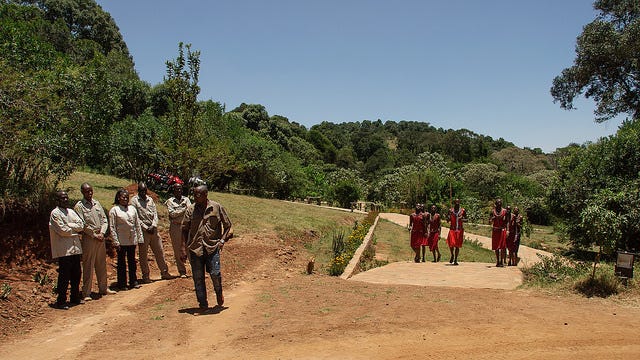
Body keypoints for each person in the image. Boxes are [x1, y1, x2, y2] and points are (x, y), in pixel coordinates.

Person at [181, 185, 233, 311]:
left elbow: (228, 225)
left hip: (212, 246)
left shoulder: (216, 207)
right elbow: (184, 229)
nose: (196, 197)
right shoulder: (190, 210)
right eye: (194, 194)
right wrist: (183, 248)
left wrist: (222, 240)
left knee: (215, 274)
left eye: (199, 194)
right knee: (198, 278)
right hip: (195, 248)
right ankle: (202, 304)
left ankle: (219, 292)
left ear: (206, 194)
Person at [74, 183, 116, 301]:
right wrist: (94, 234)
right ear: (82, 192)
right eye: (87, 191)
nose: (90, 193)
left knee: (101, 264)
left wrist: (102, 233)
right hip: (89, 238)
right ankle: (86, 292)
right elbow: (82, 223)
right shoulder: (79, 206)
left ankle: (103, 288)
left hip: (100, 237)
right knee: (88, 265)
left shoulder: (96, 203)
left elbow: (104, 220)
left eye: (91, 191)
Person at [49, 190, 84, 309]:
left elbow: (81, 225)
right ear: (57, 200)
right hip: (64, 250)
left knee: (77, 273)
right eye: (62, 198)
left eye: (66, 198)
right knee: (64, 275)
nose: (65, 200)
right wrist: (73, 228)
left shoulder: (71, 212)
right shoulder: (55, 213)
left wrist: (69, 225)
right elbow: (62, 231)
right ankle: (61, 300)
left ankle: (74, 297)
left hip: (75, 248)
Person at [131, 182, 172, 282]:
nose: (143, 192)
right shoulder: (134, 201)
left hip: (154, 230)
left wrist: (153, 225)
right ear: (138, 191)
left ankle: (164, 272)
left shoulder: (150, 200)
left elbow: (155, 214)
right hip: (143, 231)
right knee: (143, 255)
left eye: (145, 190)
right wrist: (145, 227)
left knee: (159, 251)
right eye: (141, 191)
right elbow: (135, 217)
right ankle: (146, 275)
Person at [109, 188, 143, 290]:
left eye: (127, 197)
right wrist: (116, 241)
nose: (125, 199)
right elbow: (112, 227)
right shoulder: (114, 210)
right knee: (121, 263)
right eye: (123, 197)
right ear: (118, 198)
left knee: (132, 262)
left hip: (132, 239)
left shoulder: (132, 209)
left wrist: (140, 238)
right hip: (121, 241)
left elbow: (137, 224)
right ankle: (122, 283)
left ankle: (133, 281)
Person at [165, 183, 191, 278]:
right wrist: (184, 209)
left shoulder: (186, 199)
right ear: (173, 190)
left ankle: (196, 270)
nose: (178, 191)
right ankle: (182, 271)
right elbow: (172, 214)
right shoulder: (170, 201)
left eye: (180, 189)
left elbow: (190, 211)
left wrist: (181, 211)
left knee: (190, 247)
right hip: (175, 227)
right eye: (176, 189)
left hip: (186, 226)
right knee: (177, 249)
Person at [446, 199, 466, 265]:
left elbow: (467, 219)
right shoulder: (450, 211)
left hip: (459, 230)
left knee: (457, 245)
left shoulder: (463, 211)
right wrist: (448, 218)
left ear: (459, 203)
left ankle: (455, 260)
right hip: (452, 229)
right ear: (454, 203)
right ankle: (452, 254)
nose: (457, 203)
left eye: (458, 202)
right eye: (456, 202)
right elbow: (447, 220)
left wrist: (462, 218)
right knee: (451, 244)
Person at [490, 198, 508, 267]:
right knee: (496, 246)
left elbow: (507, 221)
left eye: (500, 203)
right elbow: (489, 221)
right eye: (498, 203)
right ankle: (497, 261)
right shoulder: (492, 212)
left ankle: (502, 261)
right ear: (496, 204)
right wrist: (492, 219)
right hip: (495, 230)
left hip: (502, 230)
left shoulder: (505, 211)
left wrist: (507, 230)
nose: (499, 204)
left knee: (502, 246)